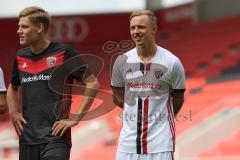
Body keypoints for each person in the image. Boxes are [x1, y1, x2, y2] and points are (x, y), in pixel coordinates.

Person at [7, 6, 99, 160]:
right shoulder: (20, 57)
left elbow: (92, 83)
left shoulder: (64, 52)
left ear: (39, 27)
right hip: (27, 139)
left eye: (24, 26)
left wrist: (75, 118)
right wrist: (13, 113)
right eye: (19, 26)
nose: (18, 31)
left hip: (56, 138)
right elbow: (13, 87)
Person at [111, 10, 186, 160]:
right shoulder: (121, 61)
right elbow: (117, 98)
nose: (136, 32)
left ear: (154, 30)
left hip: (161, 144)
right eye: (133, 28)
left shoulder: (172, 62)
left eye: (141, 27)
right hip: (128, 144)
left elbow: (178, 98)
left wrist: (161, 116)